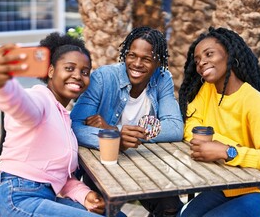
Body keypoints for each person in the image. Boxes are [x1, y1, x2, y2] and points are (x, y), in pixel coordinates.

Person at [0, 32, 107, 217]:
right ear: (50, 71)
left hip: (41, 197)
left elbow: (56, 177)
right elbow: (21, 106)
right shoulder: (40, 98)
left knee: (113, 214)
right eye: (69, 68)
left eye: (85, 72)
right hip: (12, 199)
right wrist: (1, 83)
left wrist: (85, 194)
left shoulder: (64, 117)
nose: (78, 76)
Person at [178, 26, 260, 216]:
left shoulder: (251, 99)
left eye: (209, 54)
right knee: (186, 215)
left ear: (229, 55)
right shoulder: (206, 91)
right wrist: (214, 143)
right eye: (197, 60)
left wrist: (227, 150)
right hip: (232, 184)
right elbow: (191, 125)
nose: (201, 63)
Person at [70, 26, 184, 216]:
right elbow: (74, 126)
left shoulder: (163, 79)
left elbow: (174, 128)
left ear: (158, 62)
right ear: (125, 54)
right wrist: (115, 138)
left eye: (146, 59)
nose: (137, 63)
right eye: (132, 56)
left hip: (145, 164)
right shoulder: (103, 77)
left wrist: (114, 130)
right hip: (104, 163)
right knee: (104, 210)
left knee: (170, 208)